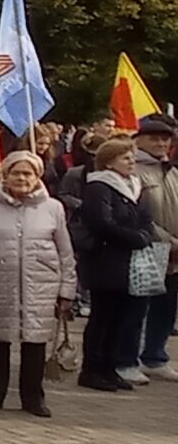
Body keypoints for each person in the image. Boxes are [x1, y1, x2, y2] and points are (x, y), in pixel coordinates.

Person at [0, 150, 75, 416]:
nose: (22, 178)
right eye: (16, 172)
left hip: (42, 286)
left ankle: (33, 398)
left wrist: (67, 290)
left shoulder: (53, 208)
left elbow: (65, 253)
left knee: (35, 344)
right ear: (5, 175)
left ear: (38, 176)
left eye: (28, 173)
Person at [77, 134, 156, 392]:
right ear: (109, 162)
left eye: (132, 157)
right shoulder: (98, 187)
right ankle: (92, 369)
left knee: (121, 317)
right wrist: (134, 237)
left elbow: (145, 217)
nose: (132, 162)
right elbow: (102, 222)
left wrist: (144, 234)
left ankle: (110, 368)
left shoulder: (134, 186)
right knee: (103, 315)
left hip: (130, 261)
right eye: (125, 157)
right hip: (105, 260)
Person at [123, 114, 178, 381]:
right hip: (148, 247)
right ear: (139, 140)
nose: (160, 143)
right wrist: (169, 240)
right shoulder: (135, 170)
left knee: (166, 305)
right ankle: (127, 359)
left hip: (173, 254)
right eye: (154, 138)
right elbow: (139, 214)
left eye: (165, 139)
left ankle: (155, 356)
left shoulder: (171, 171)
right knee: (138, 306)